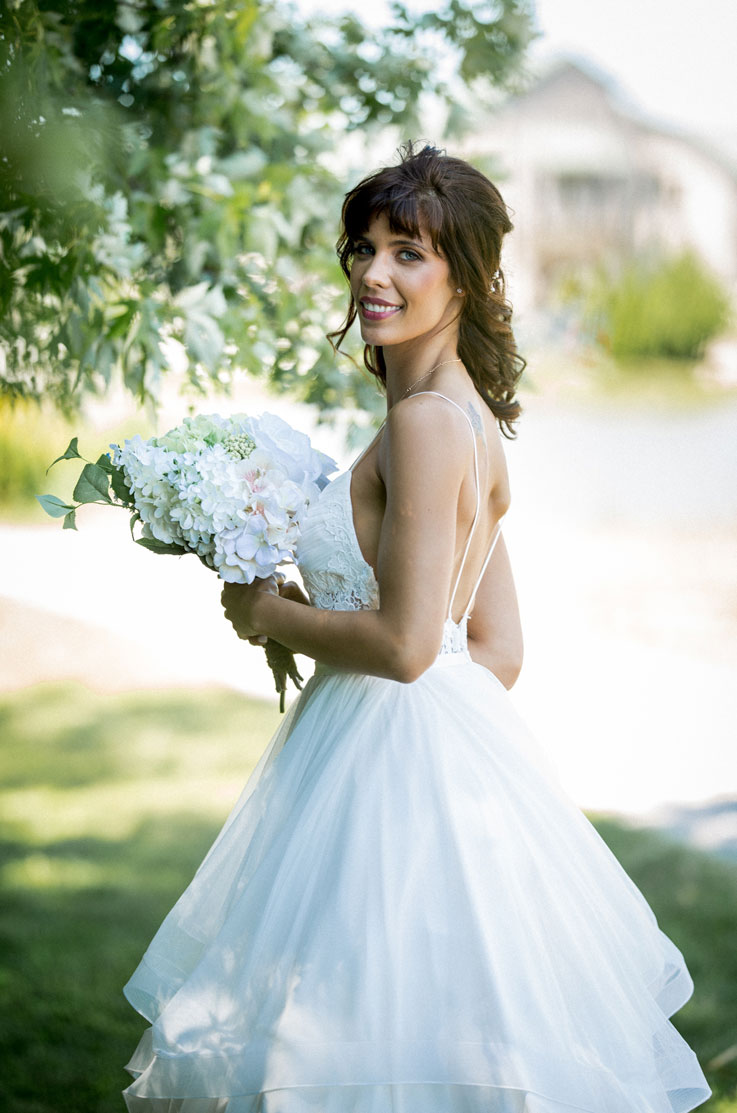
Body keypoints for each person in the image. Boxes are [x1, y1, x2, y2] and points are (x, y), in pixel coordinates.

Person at [122, 144, 711, 1112]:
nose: (372, 274)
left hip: (379, 772)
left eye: (408, 253)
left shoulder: (422, 426)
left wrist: (269, 613)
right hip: (415, 762)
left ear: (465, 279)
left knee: (348, 1049)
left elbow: (402, 646)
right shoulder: (466, 420)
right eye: (363, 247)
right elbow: (492, 651)